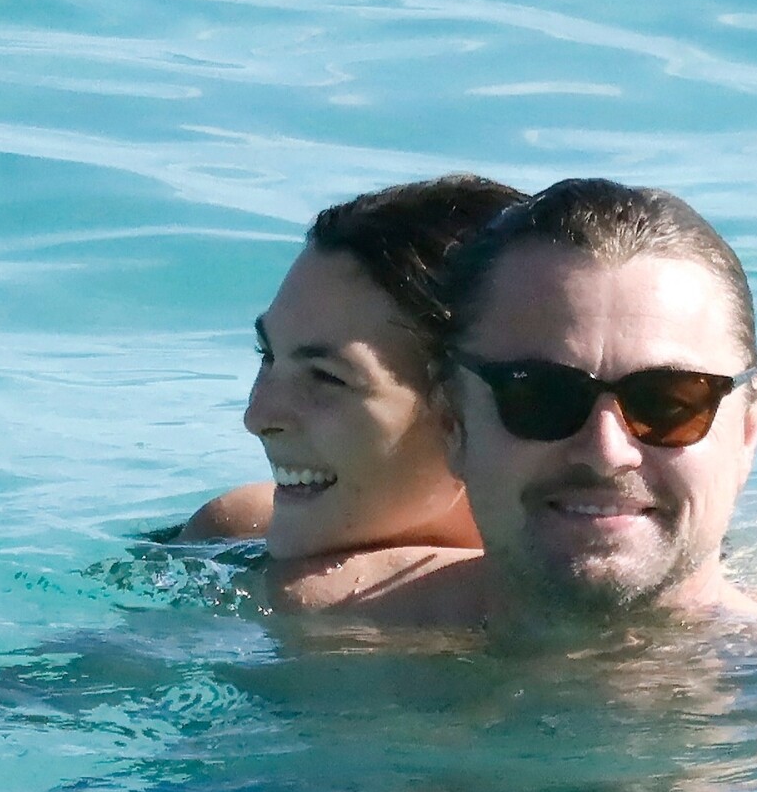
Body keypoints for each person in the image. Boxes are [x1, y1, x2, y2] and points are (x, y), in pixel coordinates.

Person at [317, 177, 757, 639]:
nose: (607, 453)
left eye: (668, 402)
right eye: (543, 397)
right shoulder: (317, 631)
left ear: (747, 431)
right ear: (452, 424)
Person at [179, 173, 525, 612]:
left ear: (472, 413)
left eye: (326, 378)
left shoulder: (582, 613)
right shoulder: (233, 531)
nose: (257, 417)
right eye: (267, 355)